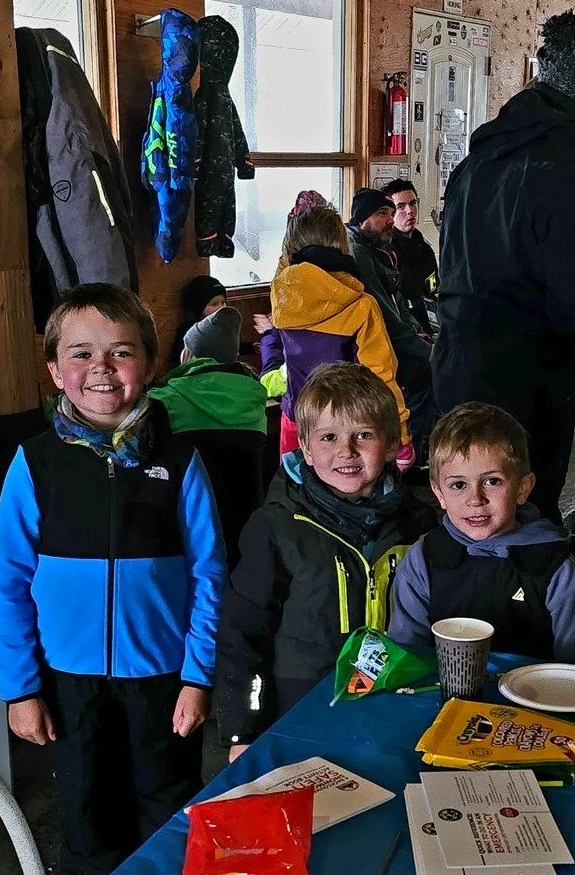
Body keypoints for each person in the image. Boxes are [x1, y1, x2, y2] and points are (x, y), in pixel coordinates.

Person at [0, 282, 227, 875]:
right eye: (81, 354)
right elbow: (9, 582)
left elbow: (209, 574)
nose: (101, 369)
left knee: (169, 810)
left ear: (149, 364)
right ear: (54, 370)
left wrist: (199, 677)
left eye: (120, 353)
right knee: (87, 819)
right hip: (69, 682)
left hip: (163, 680)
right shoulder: (35, 463)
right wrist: (20, 688)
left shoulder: (180, 462)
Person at [433, 11, 575, 523]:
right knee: (521, 513)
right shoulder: (571, 178)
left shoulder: (478, 164)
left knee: (465, 510)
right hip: (524, 383)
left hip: (456, 367)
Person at [216, 363, 436, 759]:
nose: (346, 451)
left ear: (390, 444)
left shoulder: (418, 523)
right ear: (305, 447)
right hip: (300, 704)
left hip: (392, 698)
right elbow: (242, 632)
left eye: (363, 435)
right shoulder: (276, 526)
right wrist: (242, 730)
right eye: (329, 437)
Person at [388, 402, 575, 663]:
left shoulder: (556, 571)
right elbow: (404, 659)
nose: (475, 499)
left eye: (492, 481)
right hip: (441, 700)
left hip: (536, 700)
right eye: (458, 485)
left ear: (523, 488)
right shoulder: (422, 561)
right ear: (438, 493)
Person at [267, 203, 411, 461]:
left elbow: (284, 265)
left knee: (295, 493)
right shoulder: (361, 305)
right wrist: (400, 436)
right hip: (346, 430)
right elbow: (381, 376)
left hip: (295, 420)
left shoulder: (282, 295)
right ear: (342, 245)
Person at [149, 302, 269, 569]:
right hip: (246, 522)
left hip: (192, 524)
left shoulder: (170, 397)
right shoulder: (254, 395)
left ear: (189, 353)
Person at [347, 188, 435, 459]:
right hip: (377, 346)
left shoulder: (385, 250)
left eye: (390, 212)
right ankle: (410, 453)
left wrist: (417, 331)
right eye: (382, 213)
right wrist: (425, 349)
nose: (391, 219)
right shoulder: (359, 254)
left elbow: (401, 299)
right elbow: (384, 313)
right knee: (433, 373)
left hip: (399, 337)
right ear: (362, 220)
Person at [382, 176, 438, 336]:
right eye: (401, 206)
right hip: (402, 332)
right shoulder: (385, 253)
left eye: (413, 203)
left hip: (429, 327)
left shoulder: (425, 249)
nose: (410, 211)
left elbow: (432, 290)